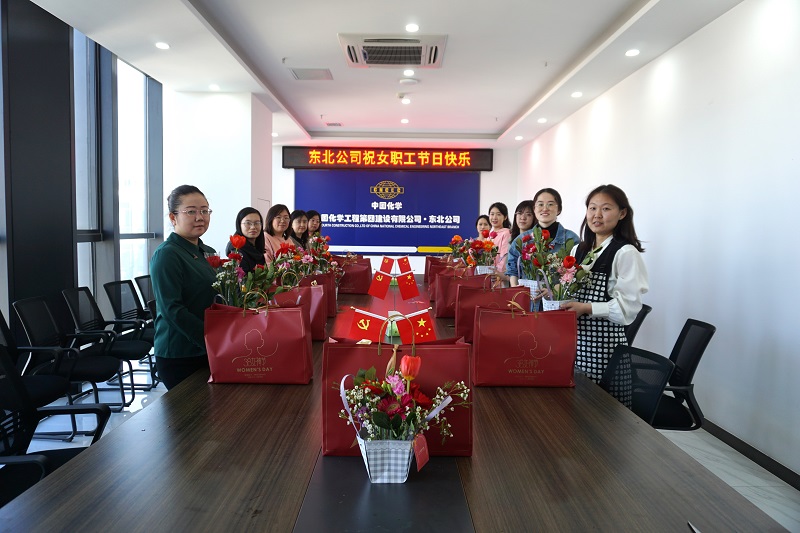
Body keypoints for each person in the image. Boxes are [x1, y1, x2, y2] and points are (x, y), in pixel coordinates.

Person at [562, 185, 648, 401]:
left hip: (605, 351)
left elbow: (627, 309)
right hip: (576, 346)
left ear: (622, 213)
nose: (597, 215)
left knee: (601, 412)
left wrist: (587, 308)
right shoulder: (578, 250)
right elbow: (572, 292)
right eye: (592, 208)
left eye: (606, 208)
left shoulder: (625, 253)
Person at [149, 185, 217, 390]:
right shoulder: (167, 254)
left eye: (204, 210)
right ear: (173, 217)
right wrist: (210, 339)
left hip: (209, 346)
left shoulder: (206, 251)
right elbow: (172, 309)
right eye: (191, 211)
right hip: (181, 353)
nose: (200, 217)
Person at [507, 190, 580, 287]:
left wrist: (555, 291)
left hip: (559, 296)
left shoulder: (571, 239)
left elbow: (577, 273)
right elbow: (513, 270)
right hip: (527, 295)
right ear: (534, 209)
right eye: (540, 204)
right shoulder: (522, 239)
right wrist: (516, 290)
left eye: (550, 204)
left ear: (559, 209)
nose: (545, 209)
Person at [225, 207, 266, 273]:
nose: (253, 227)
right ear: (239, 225)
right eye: (248, 223)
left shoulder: (257, 246)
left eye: (257, 223)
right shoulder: (236, 250)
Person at [487, 202, 511, 272]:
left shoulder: (506, 233)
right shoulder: (490, 234)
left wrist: (497, 272)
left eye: (498, 214)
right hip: (488, 272)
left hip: (498, 274)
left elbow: (504, 257)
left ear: (505, 217)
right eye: (492, 214)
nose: (494, 217)